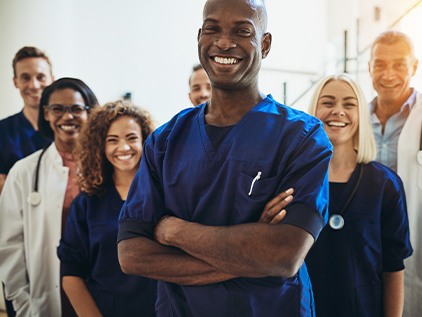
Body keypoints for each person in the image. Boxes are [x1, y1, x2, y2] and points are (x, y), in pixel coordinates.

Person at [117, 0, 332, 316]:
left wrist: (172, 231)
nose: (224, 42)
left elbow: (284, 255)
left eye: (242, 31)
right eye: (212, 29)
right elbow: (133, 255)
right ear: (199, 37)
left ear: (265, 44)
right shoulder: (165, 141)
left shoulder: (301, 137)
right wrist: (251, 252)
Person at [306, 73, 413, 317]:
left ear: (361, 116)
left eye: (349, 104)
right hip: (303, 308)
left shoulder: (385, 185)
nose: (338, 111)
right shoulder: (296, 179)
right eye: (328, 102)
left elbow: (393, 267)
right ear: (314, 109)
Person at [0, 78, 98, 316]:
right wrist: (23, 305)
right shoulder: (24, 172)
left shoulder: (106, 167)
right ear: (46, 114)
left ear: (90, 113)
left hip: (100, 291)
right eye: (57, 109)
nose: (68, 117)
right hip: (43, 297)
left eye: (76, 109)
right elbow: (9, 247)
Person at [57, 101, 157, 317]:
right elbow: (72, 274)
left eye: (132, 138)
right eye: (113, 140)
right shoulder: (86, 204)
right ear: (100, 146)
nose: (123, 148)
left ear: (146, 141)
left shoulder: (164, 197)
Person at [368, 30, 422, 316]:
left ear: (414, 67)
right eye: (379, 64)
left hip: (415, 229)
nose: (388, 74)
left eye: (399, 64)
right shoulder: (355, 119)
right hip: (367, 232)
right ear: (369, 68)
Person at [0, 46, 54, 195]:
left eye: (40, 77)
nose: (34, 85)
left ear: (52, 80)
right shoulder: (3, 131)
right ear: (15, 82)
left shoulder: (65, 129)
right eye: (25, 77)